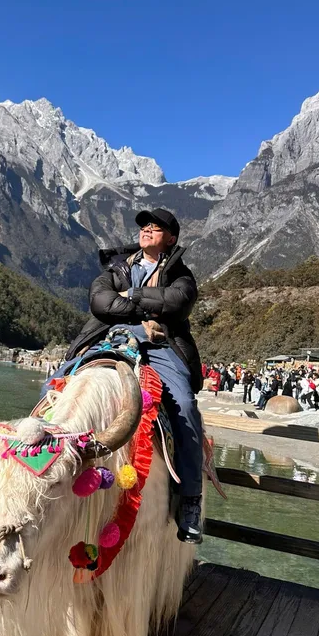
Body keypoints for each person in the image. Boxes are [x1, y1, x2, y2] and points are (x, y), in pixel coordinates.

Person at [53, 207, 204, 544]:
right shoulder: (117, 268)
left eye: (156, 227)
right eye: (144, 226)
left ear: (171, 239)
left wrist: (131, 296)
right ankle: (45, 469)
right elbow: (100, 302)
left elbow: (177, 303)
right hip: (110, 337)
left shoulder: (182, 275)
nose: (147, 229)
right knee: (55, 387)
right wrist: (147, 309)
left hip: (160, 344)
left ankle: (190, 499)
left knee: (184, 405)